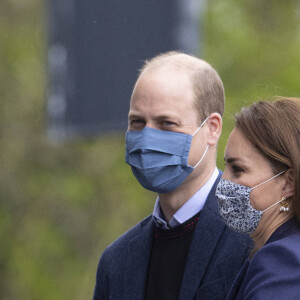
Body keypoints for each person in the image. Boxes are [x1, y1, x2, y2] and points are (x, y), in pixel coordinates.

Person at [93, 51, 250, 300]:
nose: (146, 138)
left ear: (212, 129)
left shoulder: (256, 236)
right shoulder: (116, 261)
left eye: (166, 123)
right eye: (137, 122)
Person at [216, 97, 300, 299]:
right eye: (225, 166)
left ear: (289, 183)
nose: (223, 180)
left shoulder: (282, 259)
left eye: (238, 169)